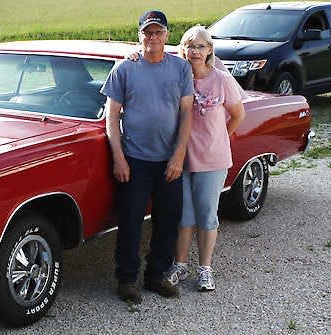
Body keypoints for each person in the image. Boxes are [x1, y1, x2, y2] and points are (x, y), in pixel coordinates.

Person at [100, 10, 194, 304]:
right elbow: (111, 116)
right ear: (139, 36)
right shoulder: (124, 69)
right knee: (130, 221)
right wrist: (118, 156)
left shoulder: (180, 69)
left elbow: (187, 113)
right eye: (147, 33)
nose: (152, 37)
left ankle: (156, 276)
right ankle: (127, 279)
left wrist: (179, 156)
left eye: (158, 32)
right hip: (134, 159)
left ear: (167, 36)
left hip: (169, 160)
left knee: (168, 220)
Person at [165, 25, 245, 291]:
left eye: (200, 46)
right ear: (183, 49)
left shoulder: (221, 79)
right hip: (182, 159)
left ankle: (205, 269)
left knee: (207, 215)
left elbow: (238, 115)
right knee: (184, 216)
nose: (194, 51)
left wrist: (219, 137)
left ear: (210, 50)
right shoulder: (178, 77)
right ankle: (180, 265)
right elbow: (149, 60)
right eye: (189, 45)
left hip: (213, 160)